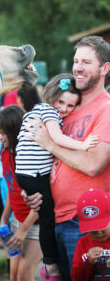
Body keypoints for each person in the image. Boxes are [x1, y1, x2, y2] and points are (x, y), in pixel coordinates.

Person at [22, 36, 110, 280]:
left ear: (105, 68)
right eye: (76, 61)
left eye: (86, 62)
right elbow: (44, 156)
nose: (78, 67)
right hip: (55, 217)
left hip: (85, 222)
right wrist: (32, 187)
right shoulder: (66, 106)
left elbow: (94, 165)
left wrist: (50, 143)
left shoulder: (106, 109)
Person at [15, 74, 97, 281]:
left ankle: (50, 263)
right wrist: (84, 145)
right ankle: (50, 266)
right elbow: (58, 139)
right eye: (61, 101)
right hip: (34, 174)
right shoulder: (47, 111)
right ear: (51, 95)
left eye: (71, 105)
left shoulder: (38, 111)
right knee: (47, 218)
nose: (64, 108)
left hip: (29, 173)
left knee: (45, 216)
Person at [0, 105, 42, 281]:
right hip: (17, 221)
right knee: (13, 276)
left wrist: (22, 231)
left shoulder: (30, 157)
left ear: (14, 131)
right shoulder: (5, 153)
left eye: (1, 133)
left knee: (23, 275)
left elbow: (40, 201)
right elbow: (12, 190)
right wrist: (3, 220)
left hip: (36, 225)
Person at [71, 189, 110, 280]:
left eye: (103, 228)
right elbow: (76, 278)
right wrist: (88, 263)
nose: (99, 233)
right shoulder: (83, 243)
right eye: (93, 230)